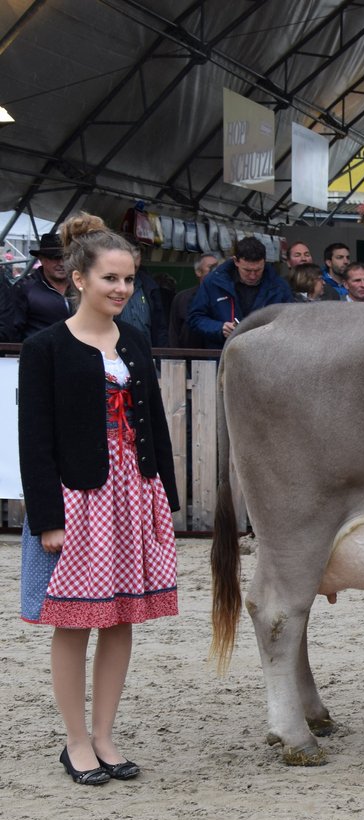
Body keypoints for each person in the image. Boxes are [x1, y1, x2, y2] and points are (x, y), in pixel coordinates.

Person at [17, 212, 180, 786]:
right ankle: (76, 742)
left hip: (133, 492)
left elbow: (153, 423)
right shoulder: (45, 348)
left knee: (120, 619)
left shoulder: (133, 339)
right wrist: (46, 518)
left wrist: (165, 498)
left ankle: (107, 736)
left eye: (129, 279)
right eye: (111, 278)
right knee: (75, 621)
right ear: (79, 278)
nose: (122, 289)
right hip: (78, 499)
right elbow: (33, 439)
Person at [186, 237, 293, 349]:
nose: (252, 275)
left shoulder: (280, 287)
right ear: (235, 261)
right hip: (224, 356)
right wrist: (219, 328)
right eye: (247, 270)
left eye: (258, 270)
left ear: (265, 262)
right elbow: (195, 318)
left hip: (264, 355)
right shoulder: (212, 283)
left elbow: (290, 323)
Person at [2, 232, 72, 341]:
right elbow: (12, 330)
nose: (61, 263)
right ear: (41, 259)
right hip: (39, 354)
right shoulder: (24, 288)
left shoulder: (82, 287)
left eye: (66, 257)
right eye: (55, 257)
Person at [168, 252, 220, 347]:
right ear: (198, 272)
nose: (215, 271)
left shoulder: (224, 297)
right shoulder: (182, 298)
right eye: (211, 267)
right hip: (188, 356)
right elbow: (174, 332)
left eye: (217, 267)